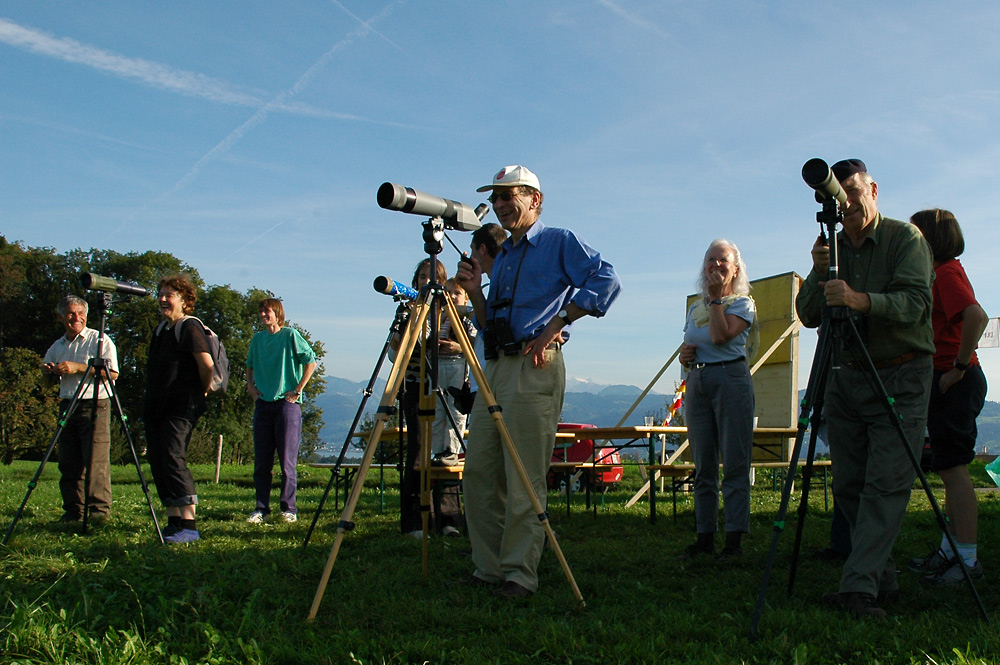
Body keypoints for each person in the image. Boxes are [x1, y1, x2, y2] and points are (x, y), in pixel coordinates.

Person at [455, 165, 621, 598]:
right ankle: (488, 567)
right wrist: (475, 292)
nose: (500, 205)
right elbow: (490, 321)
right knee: (478, 472)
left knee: (524, 474)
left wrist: (561, 320)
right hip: (498, 364)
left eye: (509, 196)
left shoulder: (558, 241)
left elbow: (607, 280)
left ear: (535, 200)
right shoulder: (505, 254)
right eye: (496, 198)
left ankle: (518, 575)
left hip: (536, 363)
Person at [795, 159, 934, 618]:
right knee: (850, 485)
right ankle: (881, 578)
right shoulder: (831, 248)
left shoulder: (905, 239)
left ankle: (858, 590)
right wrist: (818, 272)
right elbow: (810, 314)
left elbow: (916, 303)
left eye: (853, 190)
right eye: (838, 194)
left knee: (886, 484)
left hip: (901, 374)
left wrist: (860, 300)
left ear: (873, 188)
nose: (846, 201)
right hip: (847, 376)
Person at [907, 209, 988, 585]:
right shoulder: (940, 273)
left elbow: (976, 316)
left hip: (954, 380)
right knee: (947, 467)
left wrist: (959, 366)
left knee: (955, 471)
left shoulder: (946, 273)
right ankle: (949, 551)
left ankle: (967, 561)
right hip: (945, 378)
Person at [678, 239, 756, 559]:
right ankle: (705, 538)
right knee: (703, 465)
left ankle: (733, 542)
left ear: (735, 269)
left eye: (723, 260)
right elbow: (692, 342)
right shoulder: (697, 306)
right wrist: (685, 356)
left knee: (735, 463)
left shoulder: (743, 303)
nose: (715, 266)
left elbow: (720, 336)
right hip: (698, 380)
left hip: (730, 379)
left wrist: (715, 300)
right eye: (710, 260)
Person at [144, 274, 214, 544]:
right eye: (160, 294)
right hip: (158, 404)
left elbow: (206, 364)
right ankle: (173, 521)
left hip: (182, 404)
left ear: (184, 301)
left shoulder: (189, 327)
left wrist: (204, 389)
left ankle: (189, 524)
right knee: (160, 459)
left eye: (169, 295)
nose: (162, 299)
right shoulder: (161, 330)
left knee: (173, 456)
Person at [42, 295, 119, 523]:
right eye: (71, 313)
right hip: (67, 404)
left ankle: (98, 513)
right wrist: (49, 372)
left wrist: (78, 368)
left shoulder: (100, 340)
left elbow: (112, 374)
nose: (76, 318)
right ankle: (73, 511)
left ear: (86, 315)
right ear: (60, 317)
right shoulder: (58, 346)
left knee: (95, 460)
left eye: (80, 314)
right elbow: (47, 383)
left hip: (95, 404)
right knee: (68, 462)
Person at [246, 297, 318, 524]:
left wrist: (298, 389)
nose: (263, 315)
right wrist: (251, 386)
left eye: (268, 311)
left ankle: (289, 509)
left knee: (287, 462)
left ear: (278, 314)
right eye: (262, 312)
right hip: (263, 404)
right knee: (262, 462)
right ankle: (261, 508)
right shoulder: (257, 340)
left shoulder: (290, 335)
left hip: (287, 406)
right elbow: (249, 364)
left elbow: (311, 361)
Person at [391, 258, 448, 538]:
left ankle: (446, 518)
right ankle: (413, 521)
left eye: (432, 276)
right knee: (416, 452)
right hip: (414, 386)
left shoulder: (448, 312)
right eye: (422, 276)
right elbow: (394, 354)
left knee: (444, 453)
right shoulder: (406, 310)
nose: (427, 281)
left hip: (444, 386)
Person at [431, 278, 477, 468]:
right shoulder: (437, 318)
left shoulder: (466, 321)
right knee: (438, 408)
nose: (451, 296)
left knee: (455, 409)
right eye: (448, 292)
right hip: (437, 365)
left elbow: (475, 343)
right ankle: (438, 449)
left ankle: (452, 449)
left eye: (457, 293)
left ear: (466, 298)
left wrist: (459, 347)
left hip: (458, 364)